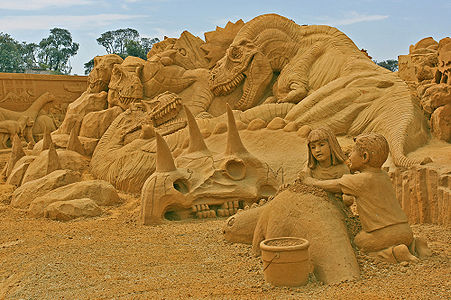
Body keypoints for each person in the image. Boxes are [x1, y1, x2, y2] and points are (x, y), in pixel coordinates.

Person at [304, 132, 425, 263]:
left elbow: (334, 185)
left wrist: (310, 182)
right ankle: (415, 245)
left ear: (365, 157)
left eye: (352, 152)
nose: (349, 156)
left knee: (358, 242)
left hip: (383, 234)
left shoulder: (359, 180)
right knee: (396, 238)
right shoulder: (384, 175)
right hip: (405, 231)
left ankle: (393, 253)